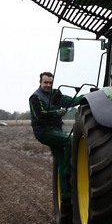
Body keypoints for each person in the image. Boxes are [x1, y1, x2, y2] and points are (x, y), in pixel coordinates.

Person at [29, 71, 78, 199]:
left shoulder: (55, 94)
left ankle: (66, 199)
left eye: (50, 82)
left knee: (61, 163)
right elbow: (40, 115)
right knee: (70, 140)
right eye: (46, 82)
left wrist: (86, 97)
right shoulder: (35, 98)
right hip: (45, 132)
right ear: (40, 82)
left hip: (56, 131)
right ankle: (70, 171)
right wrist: (57, 113)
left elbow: (70, 101)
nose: (48, 85)